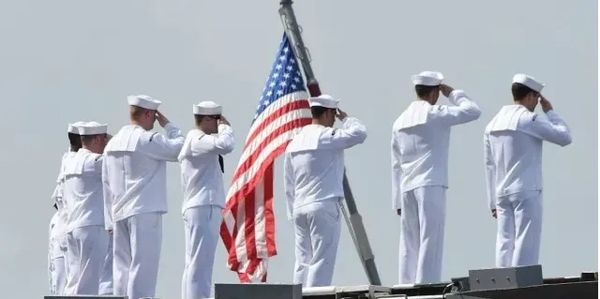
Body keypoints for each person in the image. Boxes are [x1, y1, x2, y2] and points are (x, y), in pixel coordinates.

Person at [392, 71, 481, 284]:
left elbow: (395, 163)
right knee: (431, 238)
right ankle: (426, 285)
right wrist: (453, 93)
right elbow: (473, 111)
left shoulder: (400, 120)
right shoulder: (434, 113)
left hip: (406, 186)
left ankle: (406, 284)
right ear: (434, 92)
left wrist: (396, 199)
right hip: (430, 182)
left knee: (409, 241)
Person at [484, 74, 571, 267]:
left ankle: (502, 284)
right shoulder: (528, 119)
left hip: (501, 193)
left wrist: (492, 201)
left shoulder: (492, 124)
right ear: (531, 95)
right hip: (525, 189)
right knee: (526, 242)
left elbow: (489, 165)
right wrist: (551, 112)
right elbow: (564, 137)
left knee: (504, 242)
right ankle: (522, 286)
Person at [103, 95, 184, 299]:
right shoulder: (147, 139)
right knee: (144, 265)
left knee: (121, 267)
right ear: (148, 114)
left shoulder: (112, 144)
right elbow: (180, 149)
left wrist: (109, 219)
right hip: (144, 209)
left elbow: (106, 183)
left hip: (118, 211)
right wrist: (170, 126)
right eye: (153, 117)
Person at [284, 94, 367, 287]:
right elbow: (360, 133)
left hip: (299, 207)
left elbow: (288, 182)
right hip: (323, 205)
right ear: (329, 113)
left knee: (302, 261)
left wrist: (291, 211)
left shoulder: (294, 141)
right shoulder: (326, 136)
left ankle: (298, 296)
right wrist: (346, 119)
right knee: (322, 259)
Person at [178, 101, 235, 299]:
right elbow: (226, 145)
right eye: (217, 120)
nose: (219, 124)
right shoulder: (198, 140)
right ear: (208, 119)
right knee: (201, 263)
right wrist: (226, 128)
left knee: (195, 262)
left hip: (201, 205)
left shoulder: (197, 141)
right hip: (204, 205)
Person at [63, 121, 110, 295]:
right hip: (92, 226)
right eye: (105, 139)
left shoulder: (70, 161)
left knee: (74, 282)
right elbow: (118, 163)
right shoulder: (95, 161)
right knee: (89, 284)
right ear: (98, 138)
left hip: (73, 227)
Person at [49, 121, 85, 294]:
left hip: (61, 226)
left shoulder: (67, 160)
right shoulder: (81, 161)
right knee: (72, 282)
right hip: (71, 225)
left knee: (61, 283)